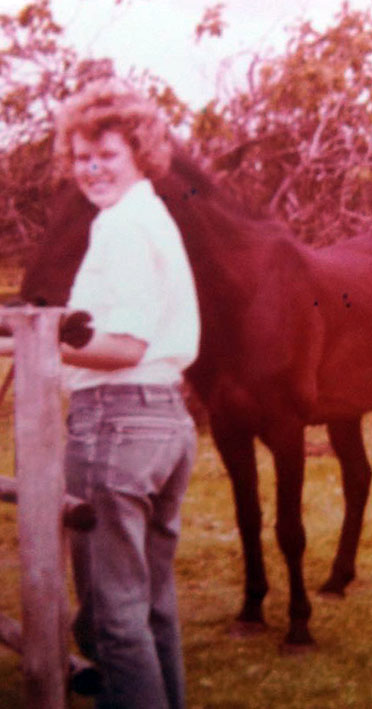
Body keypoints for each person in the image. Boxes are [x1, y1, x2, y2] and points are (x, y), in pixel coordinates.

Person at [3, 79, 201, 708]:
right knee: (149, 607)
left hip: (117, 421)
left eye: (107, 155)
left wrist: (37, 344)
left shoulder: (121, 227)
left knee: (113, 621)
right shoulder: (151, 217)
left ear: (141, 153)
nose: (92, 170)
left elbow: (125, 345)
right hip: (165, 420)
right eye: (82, 157)